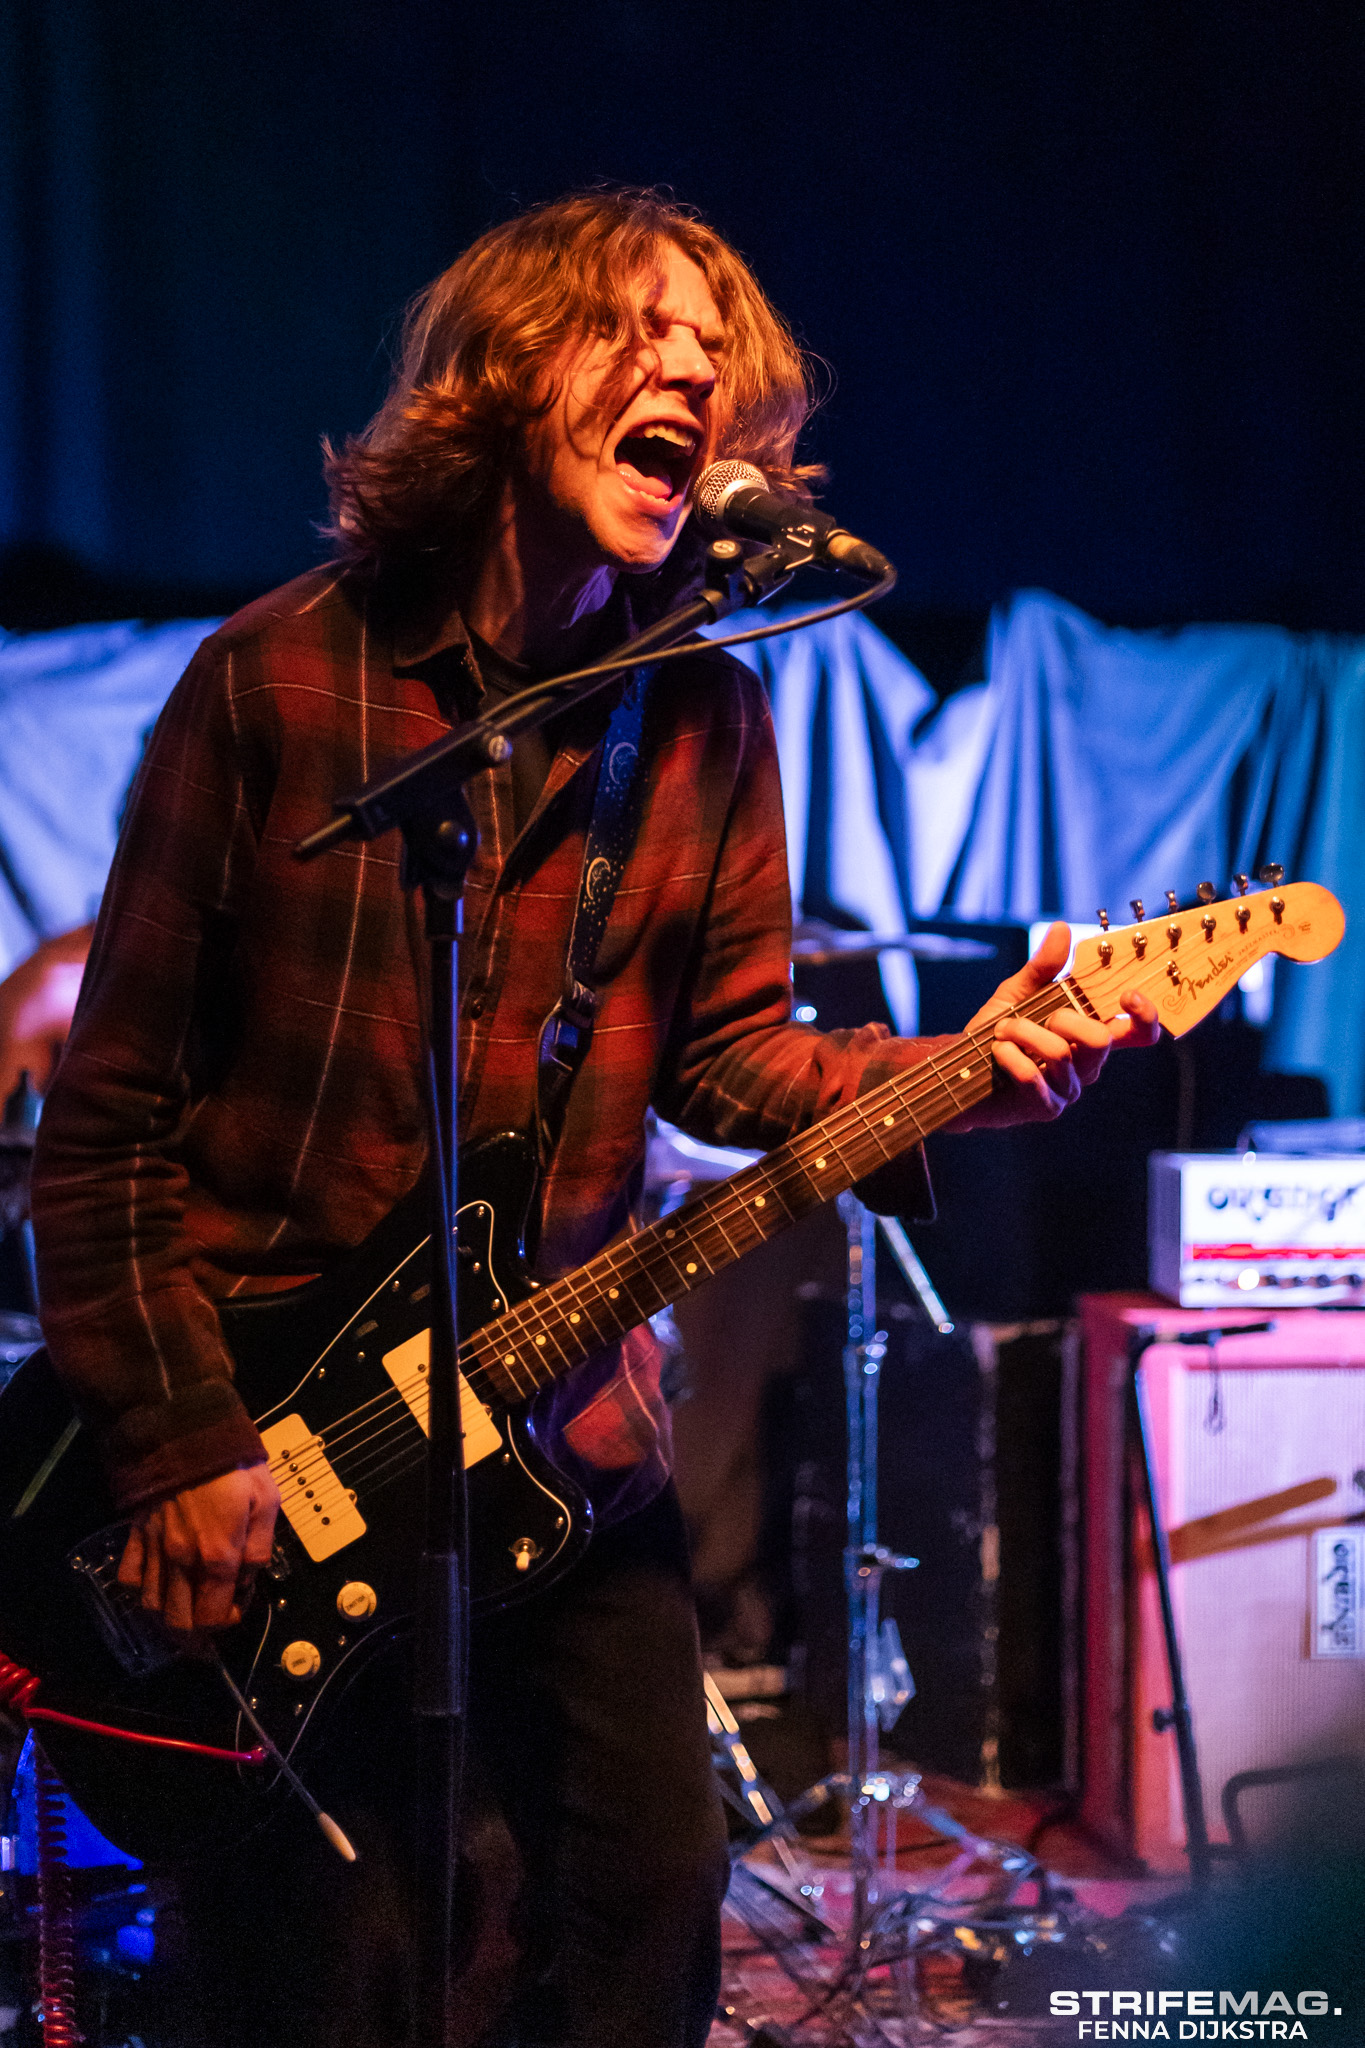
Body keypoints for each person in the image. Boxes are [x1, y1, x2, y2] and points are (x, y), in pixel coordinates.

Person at [29, 189, 1157, 2048]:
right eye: (642, 329)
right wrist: (170, 1443)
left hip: (548, 1429)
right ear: (501, 375)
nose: (698, 368)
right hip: (259, 1429)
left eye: (719, 350)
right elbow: (109, 1121)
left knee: (643, 1898)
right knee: (346, 1964)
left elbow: (735, 1068)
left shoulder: (701, 721)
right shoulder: (281, 682)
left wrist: (977, 1060)